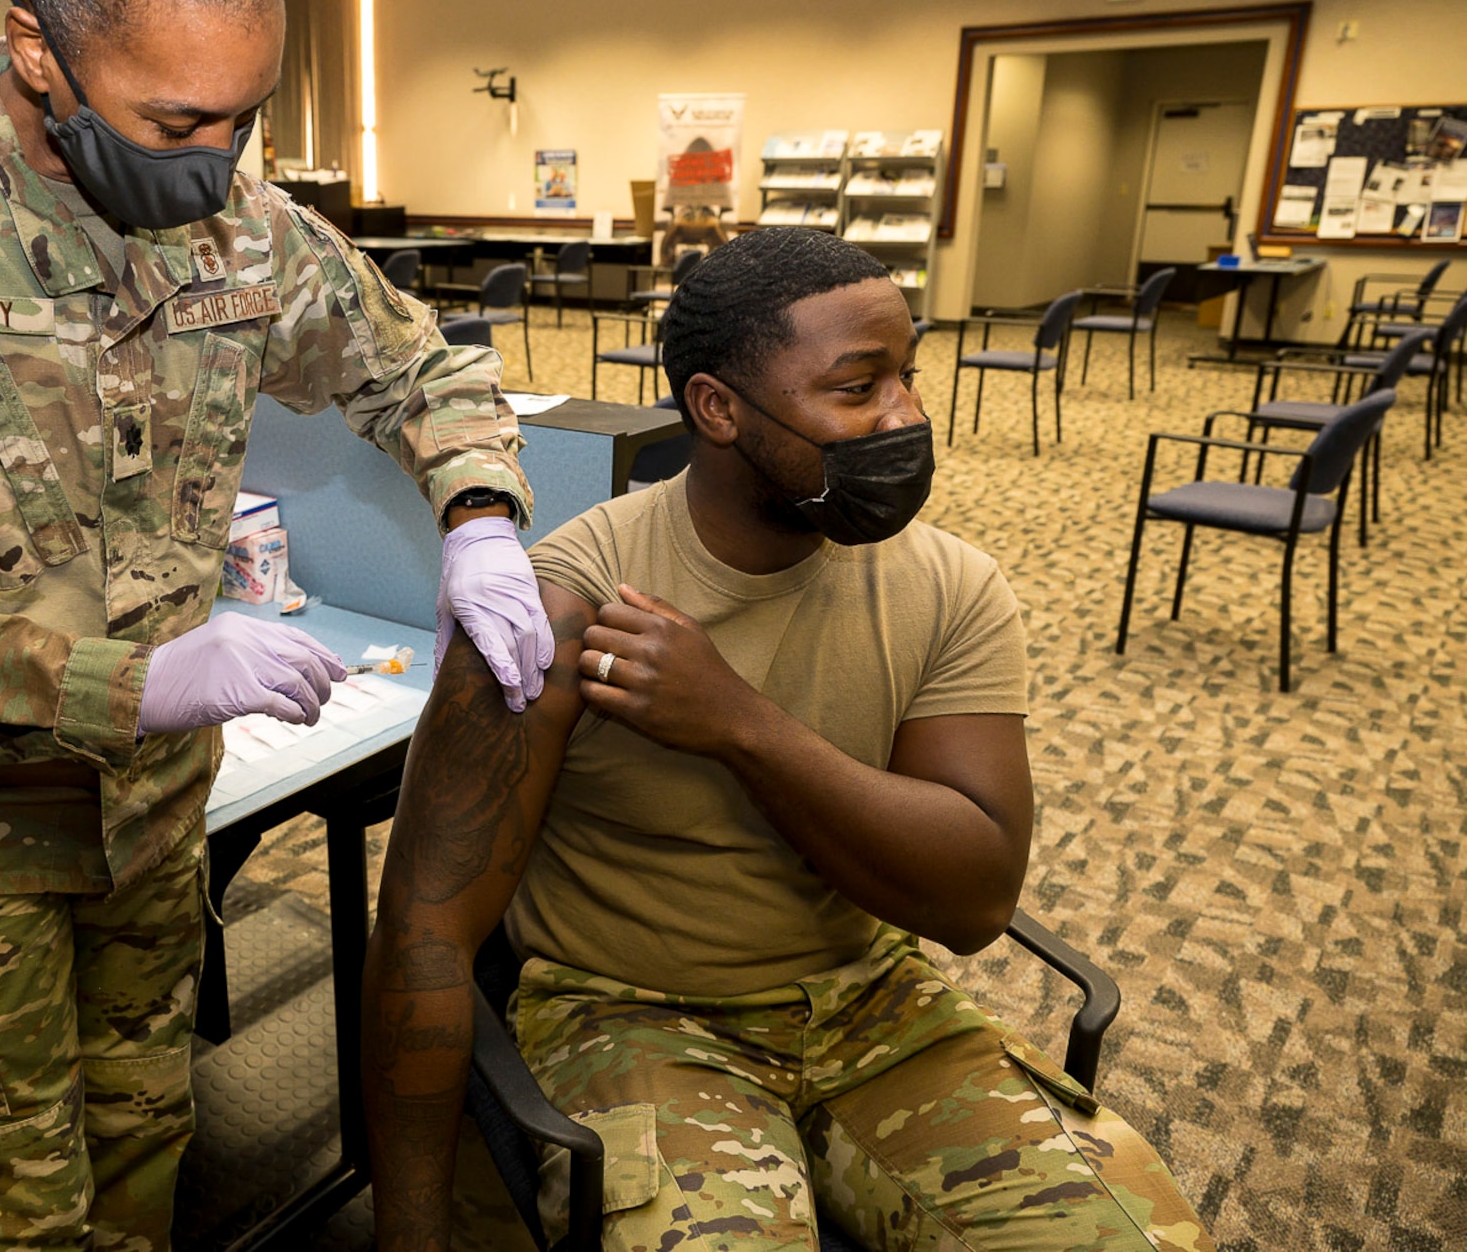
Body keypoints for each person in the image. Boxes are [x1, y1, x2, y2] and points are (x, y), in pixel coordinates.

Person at [0, 0, 552, 1246]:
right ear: (39, 47)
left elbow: (418, 364)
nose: (215, 160)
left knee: (147, 1152)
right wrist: (133, 680)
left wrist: (481, 513)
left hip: (149, 829)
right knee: (7, 1219)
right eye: (176, 121)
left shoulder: (240, 225)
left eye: (243, 118)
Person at [364, 228, 1214, 1251]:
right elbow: (422, 929)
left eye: (907, 377)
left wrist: (738, 724)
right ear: (717, 408)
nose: (904, 415)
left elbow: (975, 896)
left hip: (876, 1007)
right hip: (632, 1015)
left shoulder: (949, 586)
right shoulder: (564, 604)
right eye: (858, 389)